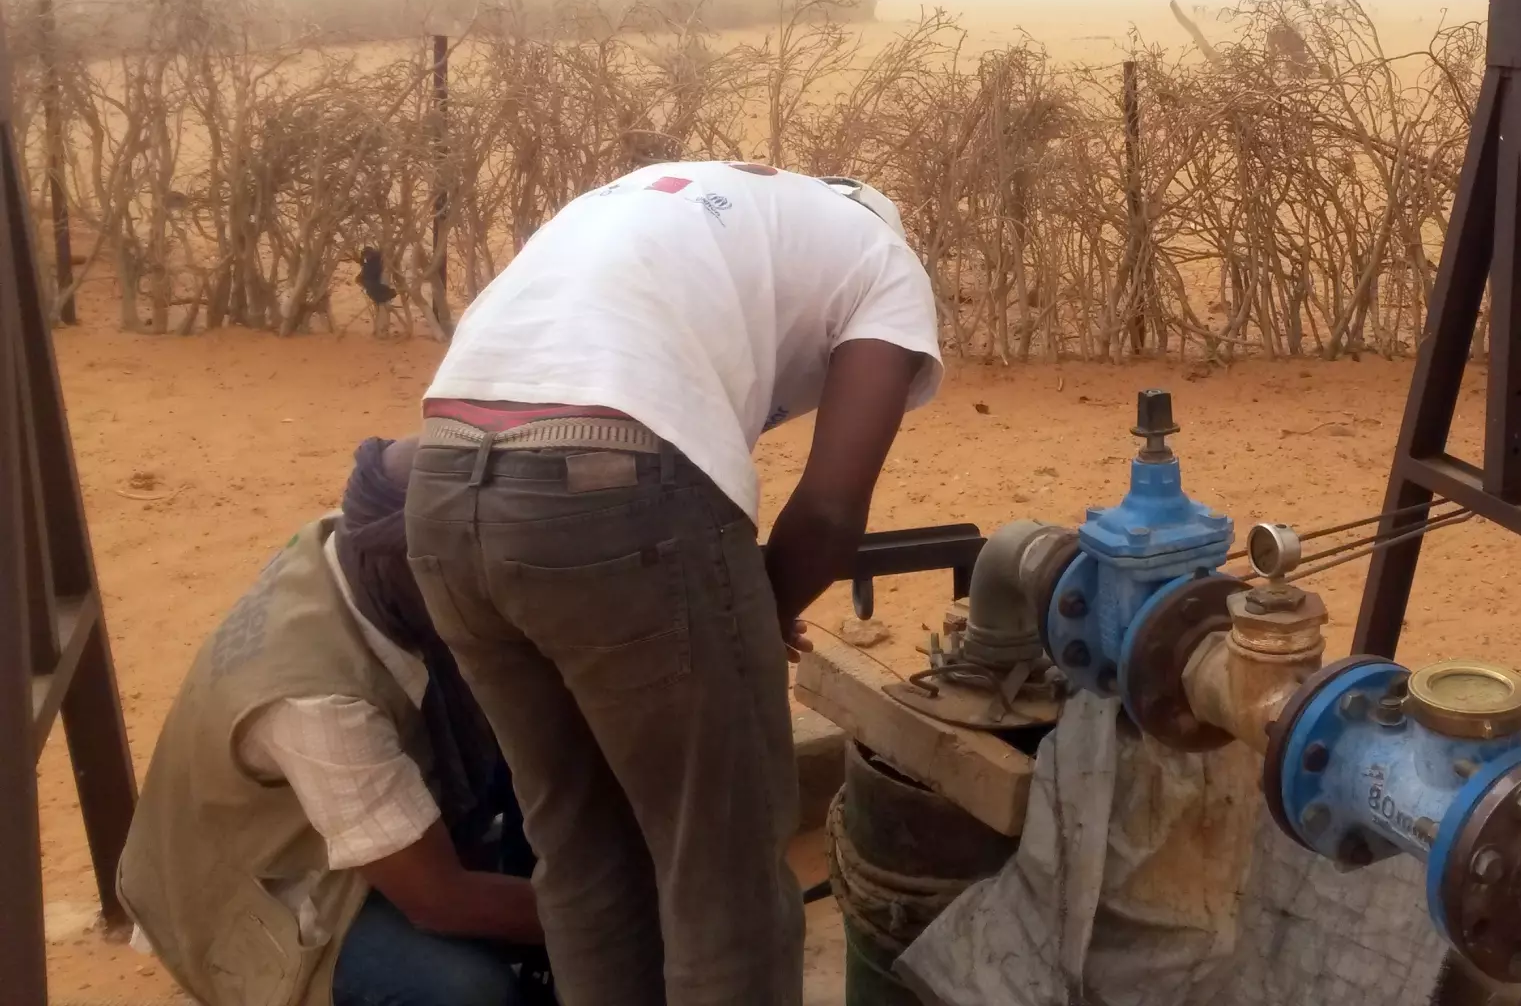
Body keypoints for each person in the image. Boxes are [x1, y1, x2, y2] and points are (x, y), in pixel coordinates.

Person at [403, 161, 942, 1006]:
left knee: (581, 851)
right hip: (611, 485)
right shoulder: (882, 257)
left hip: (441, 490)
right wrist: (756, 612)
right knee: (720, 873)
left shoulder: (684, 201)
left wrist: (732, 608)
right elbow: (832, 509)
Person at [120, 437, 547, 1006]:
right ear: (409, 567)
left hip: (323, 825)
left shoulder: (349, 539)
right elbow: (439, 900)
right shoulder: (317, 706)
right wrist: (609, 919)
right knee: (467, 992)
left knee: (537, 734)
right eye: (474, 578)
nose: (494, 594)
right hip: (269, 895)